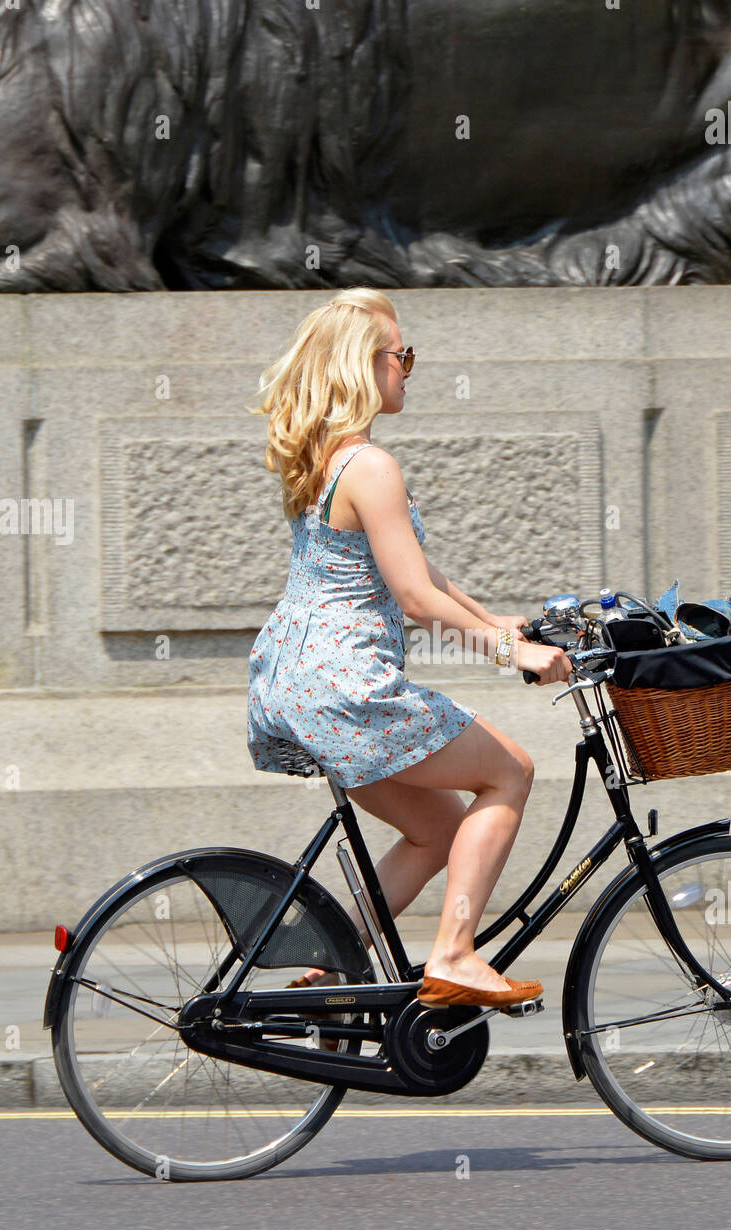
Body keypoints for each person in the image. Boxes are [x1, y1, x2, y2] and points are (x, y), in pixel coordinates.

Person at [247, 288, 573, 1009]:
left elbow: (420, 572)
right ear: (364, 366)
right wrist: (506, 655)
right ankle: (455, 955)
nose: (409, 368)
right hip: (347, 686)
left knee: (437, 831)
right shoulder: (371, 465)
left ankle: (331, 974)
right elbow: (416, 600)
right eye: (403, 355)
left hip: (296, 683)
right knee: (511, 771)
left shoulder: (326, 460)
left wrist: (497, 621)